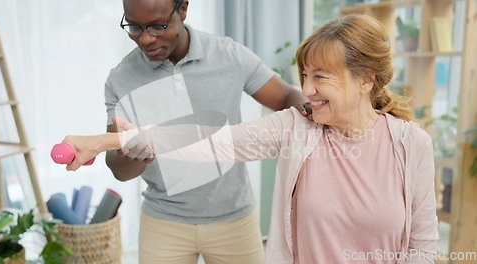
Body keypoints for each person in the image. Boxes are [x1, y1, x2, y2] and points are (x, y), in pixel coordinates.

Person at [63, 14, 438, 263]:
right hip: (166, 214)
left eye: (320, 77)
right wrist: (102, 141)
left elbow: (422, 246)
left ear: (365, 79)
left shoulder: (411, 145)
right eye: (304, 75)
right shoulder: (295, 128)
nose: (306, 89)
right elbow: (213, 142)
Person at [104, 0, 310, 263]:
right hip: (163, 221)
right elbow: (118, 169)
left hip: (233, 218)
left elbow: (286, 97)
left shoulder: (230, 55)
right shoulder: (121, 78)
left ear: (183, 9)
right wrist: (130, 156)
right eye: (134, 26)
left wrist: (309, 107)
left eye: (158, 26)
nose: (145, 39)